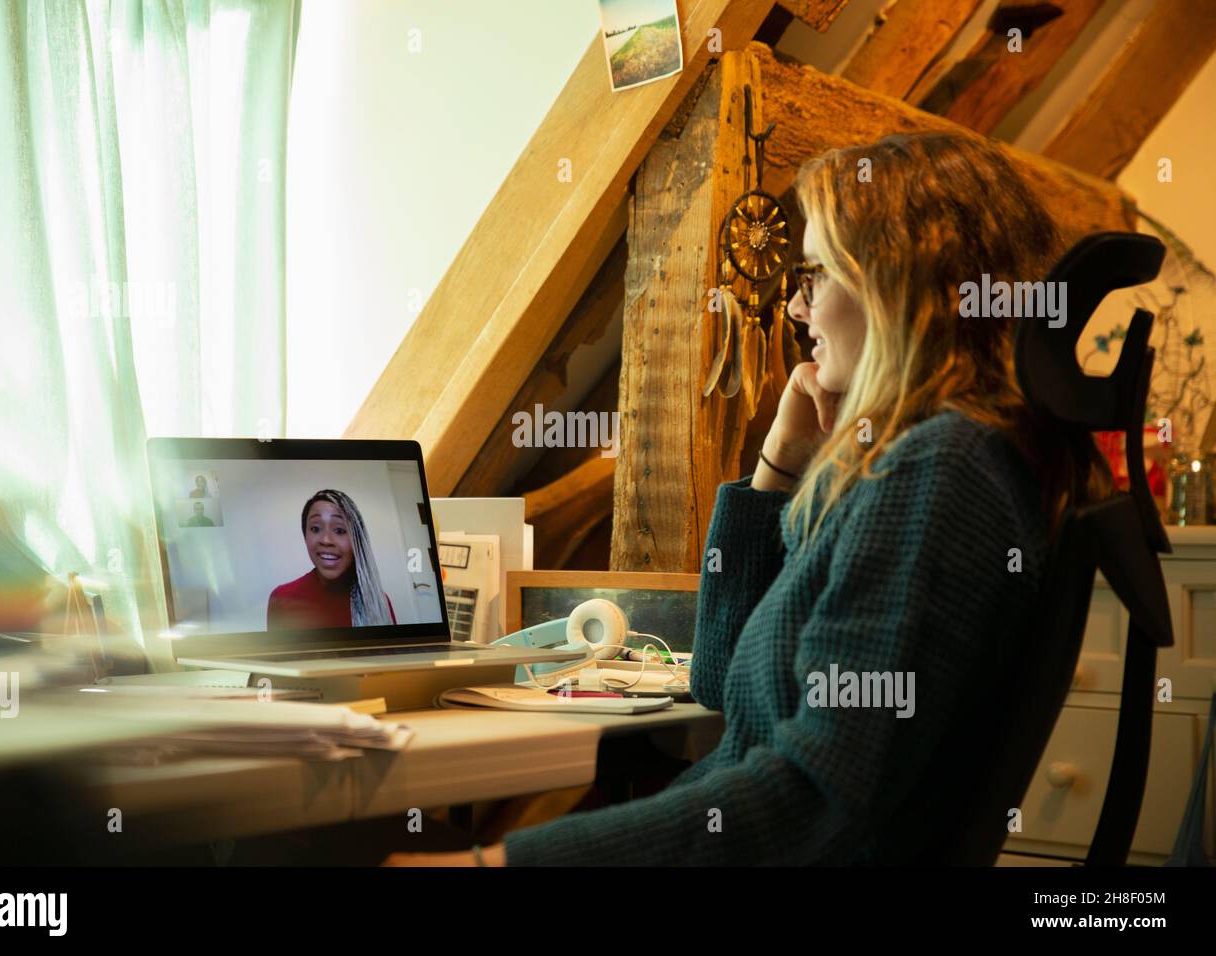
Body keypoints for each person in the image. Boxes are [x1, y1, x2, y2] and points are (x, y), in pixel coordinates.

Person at [383, 131, 1113, 867]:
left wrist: (498, 865)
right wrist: (780, 467)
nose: (797, 309)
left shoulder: (939, 475)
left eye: (817, 274)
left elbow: (811, 797)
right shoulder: (942, 461)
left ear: (899, 286)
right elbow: (725, 682)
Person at [267, 489, 396, 631]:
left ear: (357, 540)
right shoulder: (281, 599)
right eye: (315, 529)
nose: (326, 540)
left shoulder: (378, 601)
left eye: (340, 530)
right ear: (305, 536)